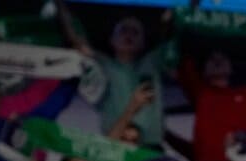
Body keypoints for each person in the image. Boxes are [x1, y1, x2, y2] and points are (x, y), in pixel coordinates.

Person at [55, 3, 169, 147]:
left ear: (142, 42)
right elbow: (77, 39)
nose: (129, 35)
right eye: (123, 31)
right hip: (115, 144)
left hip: (150, 147)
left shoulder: (152, 62)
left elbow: (169, 27)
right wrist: (61, 6)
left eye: (135, 32)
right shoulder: (101, 64)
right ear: (112, 40)